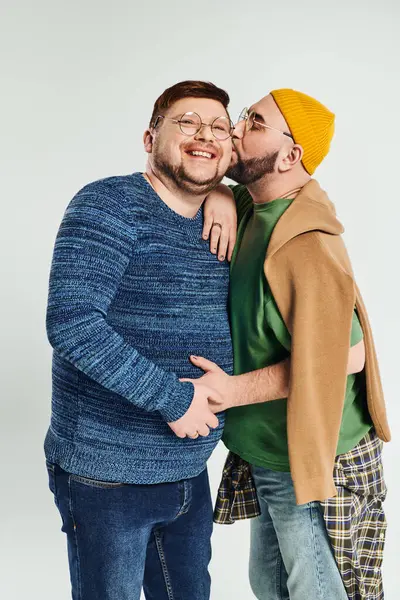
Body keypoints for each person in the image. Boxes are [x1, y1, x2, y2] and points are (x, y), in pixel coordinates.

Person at [186, 89, 391, 600]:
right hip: (269, 450)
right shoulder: (257, 207)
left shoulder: (308, 244)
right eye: (243, 117)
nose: (235, 130)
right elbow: (209, 183)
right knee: (270, 584)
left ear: (290, 155)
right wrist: (218, 193)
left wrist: (230, 392)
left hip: (311, 452)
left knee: (314, 591)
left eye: (254, 123)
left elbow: (348, 355)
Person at [44, 80, 237, 600]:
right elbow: (71, 323)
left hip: (190, 470)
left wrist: (224, 192)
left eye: (220, 127)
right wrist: (173, 399)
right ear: (150, 138)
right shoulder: (109, 204)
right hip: (107, 476)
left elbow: (282, 177)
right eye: (188, 123)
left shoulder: (225, 216)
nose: (206, 135)